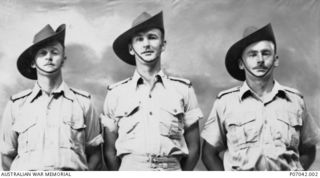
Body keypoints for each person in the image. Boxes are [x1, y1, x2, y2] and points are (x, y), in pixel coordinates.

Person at [201, 23, 320, 171]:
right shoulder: (225, 102)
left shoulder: (295, 101)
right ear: (240, 64)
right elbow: (208, 154)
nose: (260, 60)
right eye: (252, 54)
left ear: (275, 60)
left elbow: (309, 150)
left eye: (265, 53)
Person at [101, 11, 203, 171]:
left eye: (152, 37)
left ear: (163, 45)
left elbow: (194, 147)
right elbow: (108, 151)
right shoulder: (116, 94)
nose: (146, 44)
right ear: (130, 48)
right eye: (139, 39)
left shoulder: (183, 90)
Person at [0, 24, 103, 171]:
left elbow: (95, 154)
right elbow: (6, 156)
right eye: (42, 53)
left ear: (63, 59)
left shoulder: (83, 102)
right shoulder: (16, 105)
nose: (49, 57)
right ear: (32, 63)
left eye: (54, 52)